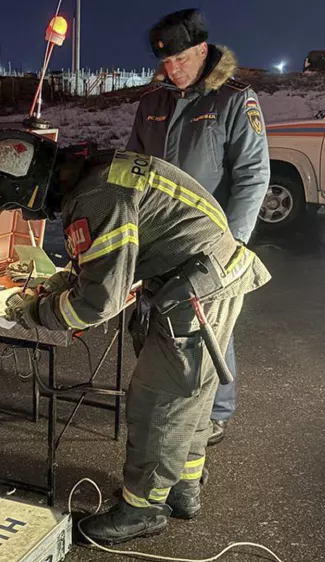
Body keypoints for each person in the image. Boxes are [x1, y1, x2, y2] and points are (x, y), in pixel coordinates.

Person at [0, 129, 270, 544]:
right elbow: (109, 256)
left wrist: (36, 312)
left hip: (196, 289)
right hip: (204, 275)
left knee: (159, 401)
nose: (27, 216)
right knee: (190, 397)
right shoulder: (97, 173)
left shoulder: (95, 198)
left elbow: (96, 303)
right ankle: (183, 490)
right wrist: (63, 281)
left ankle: (143, 510)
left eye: (20, 207)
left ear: (32, 190)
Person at [126, 8, 271, 446]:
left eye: (181, 59)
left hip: (211, 240)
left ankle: (217, 411)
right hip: (158, 236)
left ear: (203, 50)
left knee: (210, 325)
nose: (173, 69)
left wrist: (234, 243)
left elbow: (253, 175)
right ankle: (167, 397)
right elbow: (132, 168)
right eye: (166, 62)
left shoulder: (233, 99)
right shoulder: (153, 103)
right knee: (159, 319)